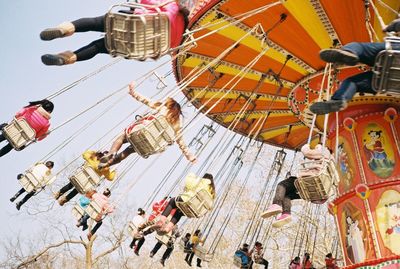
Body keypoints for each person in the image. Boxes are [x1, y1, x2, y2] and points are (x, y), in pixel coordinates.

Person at [39, 0, 190, 66]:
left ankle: (66, 28)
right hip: (140, 46)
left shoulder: (171, 5)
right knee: (98, 47)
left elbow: (145, 3)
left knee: (95, 22)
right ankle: (68, 59)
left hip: (136, 24)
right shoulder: (183, 33)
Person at [310, 19, 400, 115]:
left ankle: (349, 53)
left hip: (393, 55)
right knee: (352, 82)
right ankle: (338, 101)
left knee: (359, 47)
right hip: (393, 83)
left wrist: (390, 27)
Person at [98, 82, 196, 169]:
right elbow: (180, 141)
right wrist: (189, 156)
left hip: (140, 132)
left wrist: (133, 93)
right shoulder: (178, 123)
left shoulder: (163, 108)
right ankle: (107, 165)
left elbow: (146, 100)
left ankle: (111, 153)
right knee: (128, 151)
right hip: (151, 145)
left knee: (122, 137)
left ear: (169, 105)